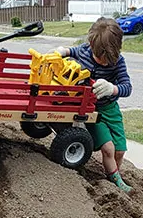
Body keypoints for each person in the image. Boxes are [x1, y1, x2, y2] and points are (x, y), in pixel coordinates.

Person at [55, 18, 133, 194]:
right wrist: (62, 51)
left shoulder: (118, 62)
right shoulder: (84, 51)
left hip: (110, 109)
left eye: (108, 59)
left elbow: (127, 87)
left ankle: (113, 174)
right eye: (100, 58)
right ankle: (117, 182)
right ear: (91, 44)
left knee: (119, 150)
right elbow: (71, 51)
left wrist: (112, 89)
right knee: (108, 148)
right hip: (91, 109)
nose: (104, 63)